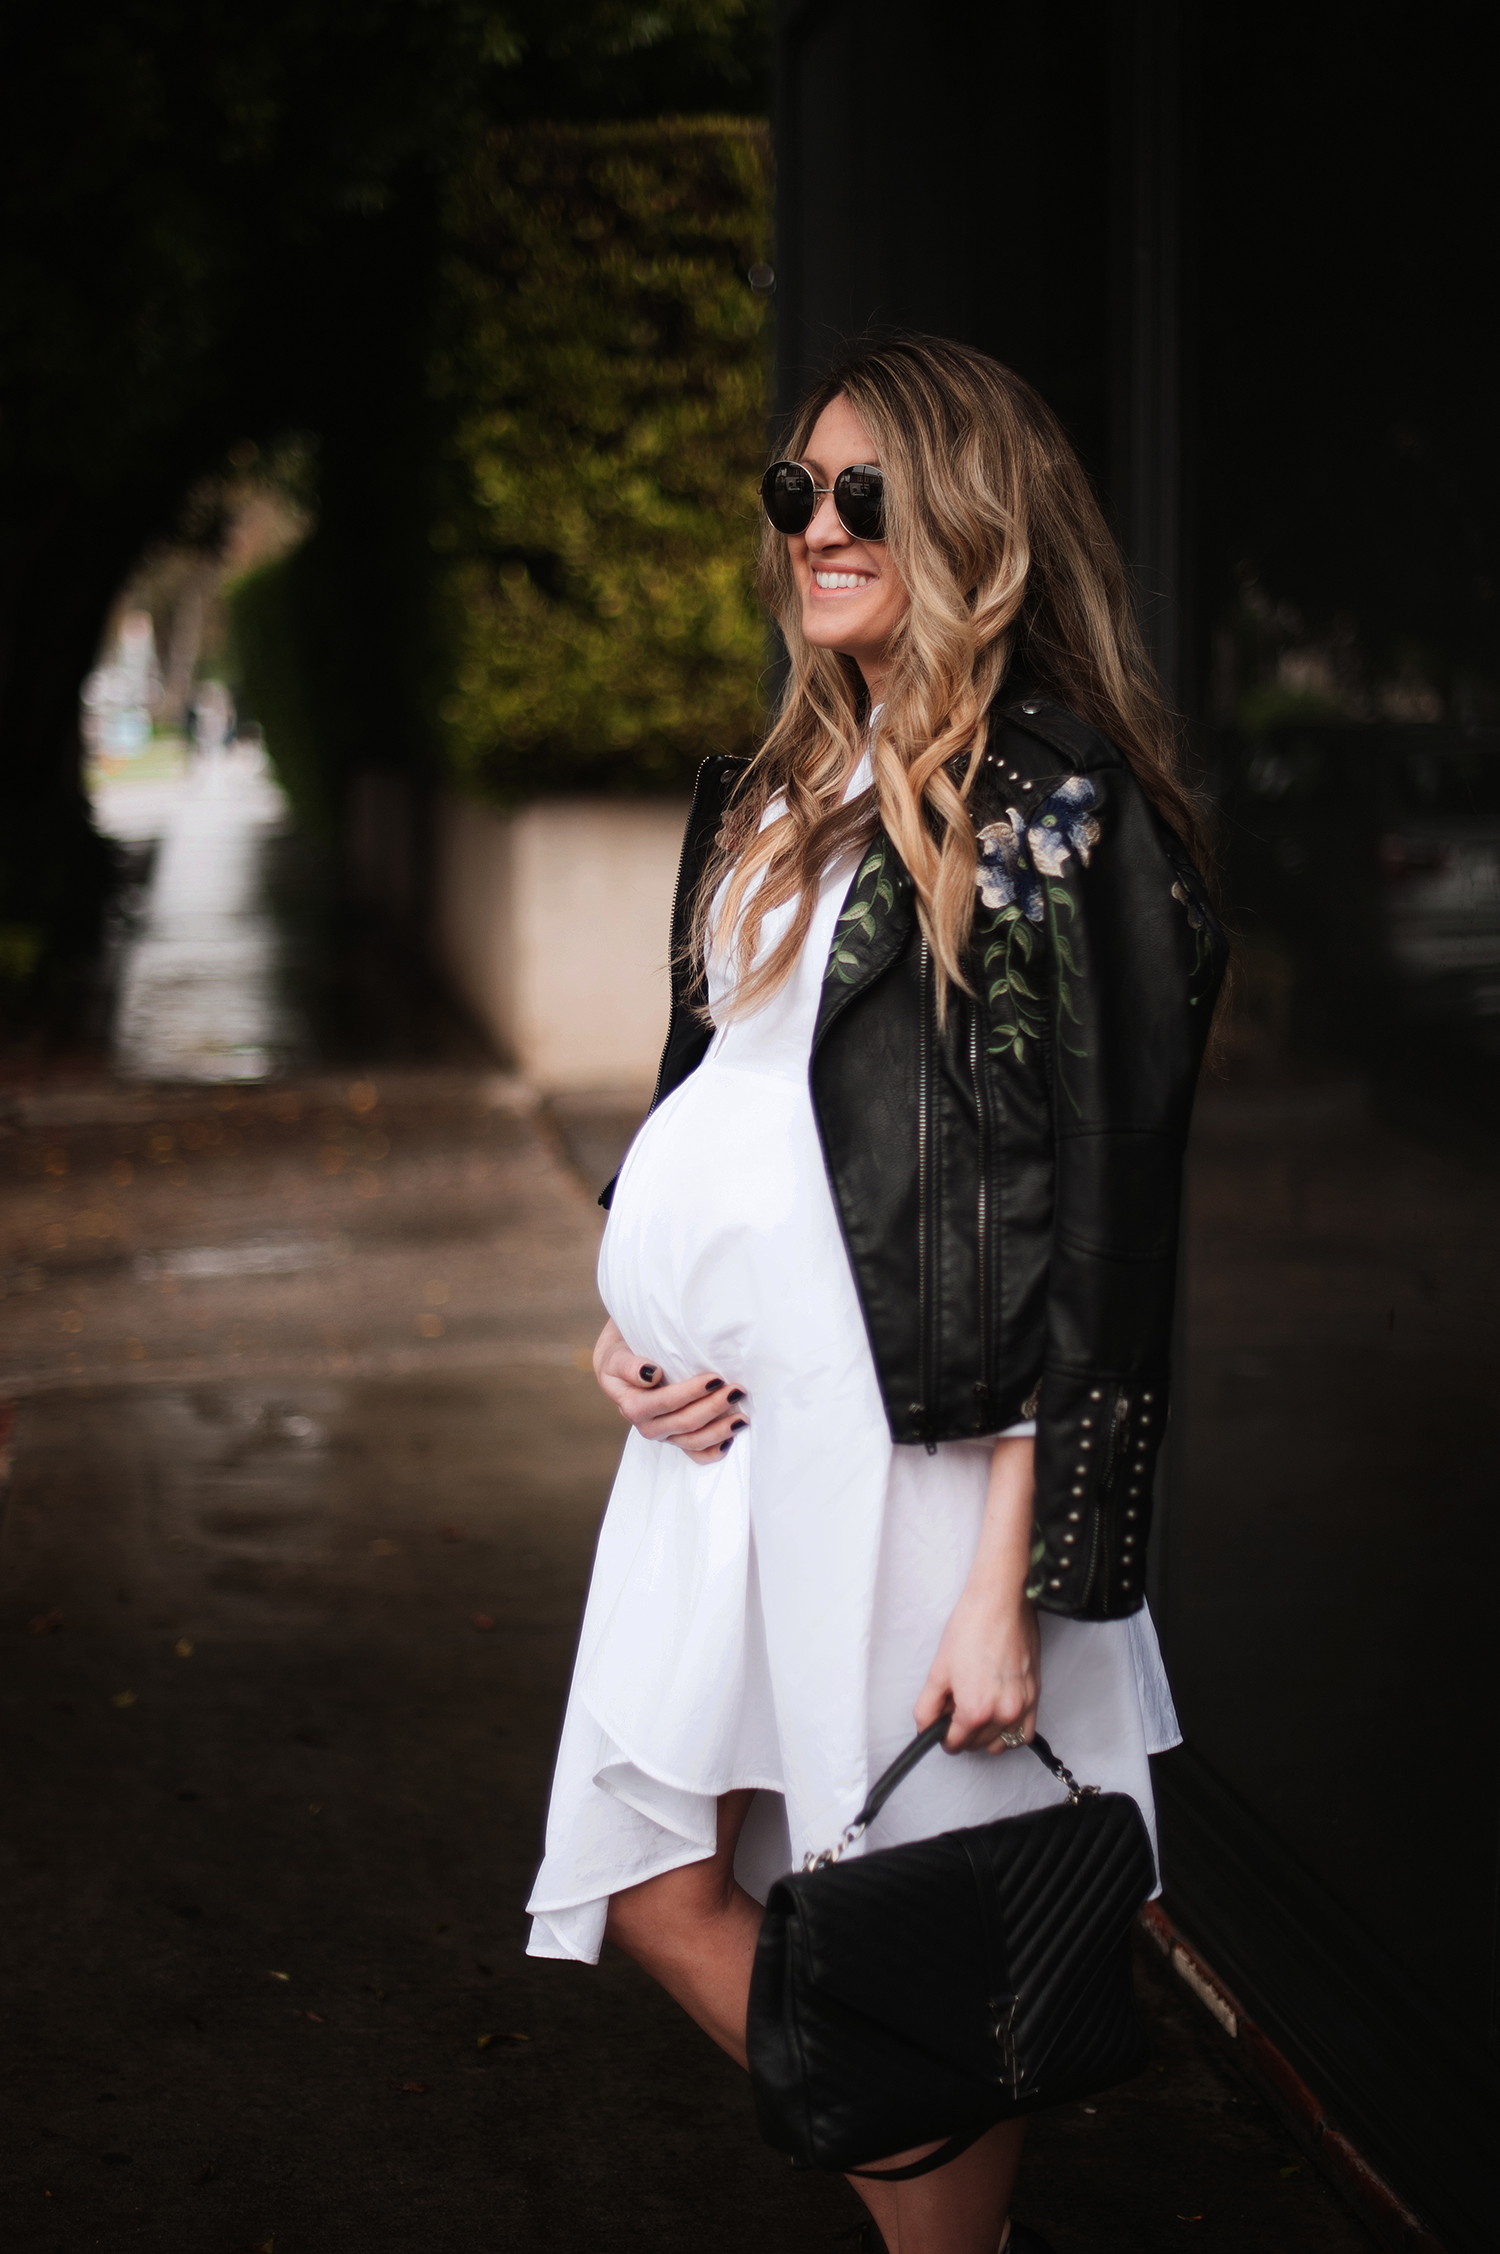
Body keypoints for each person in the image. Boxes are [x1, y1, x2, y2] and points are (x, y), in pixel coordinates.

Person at [526, 333, 1226, 2254]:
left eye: (866, 496)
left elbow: (1102, 1222)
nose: (818, 527)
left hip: (923, 1473)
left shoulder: (1055, 808)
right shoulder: (783, 776)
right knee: (661, 1879)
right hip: (724, 1451)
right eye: (797, 492)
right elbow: (719, 1086)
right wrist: (635, 1305)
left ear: (976, 519)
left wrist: (1019, 1576)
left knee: (925, 1934)